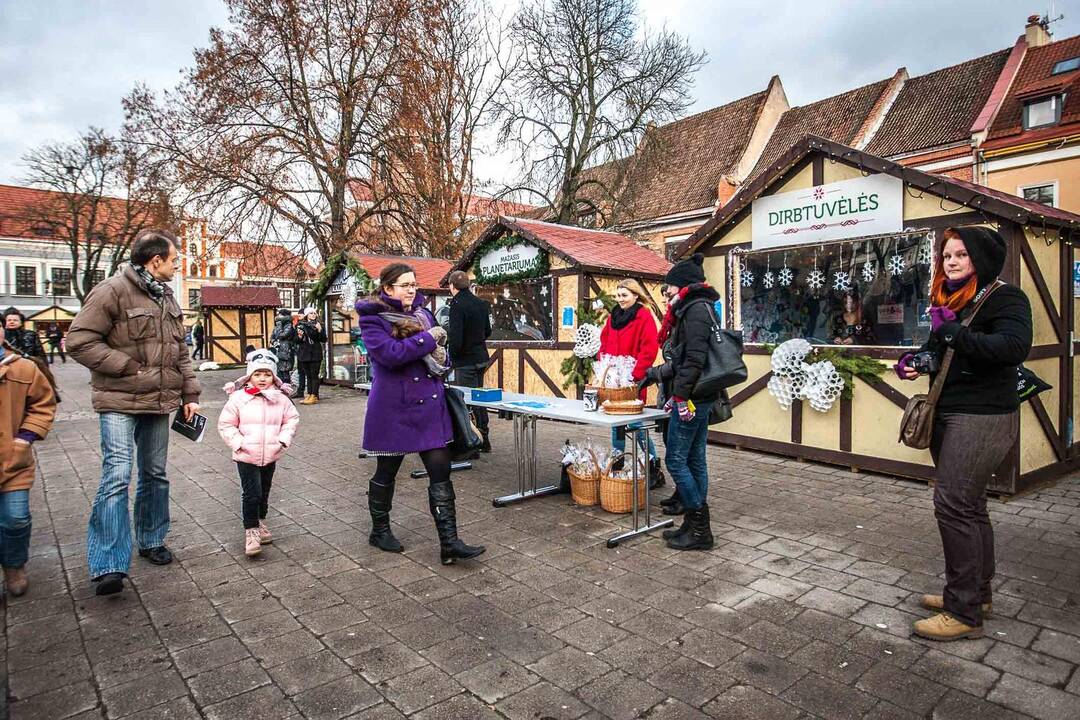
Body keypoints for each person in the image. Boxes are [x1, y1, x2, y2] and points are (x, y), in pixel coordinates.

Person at [896, 226, 1031, 641]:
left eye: (960, 255)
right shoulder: (953, 300)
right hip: (951, 412)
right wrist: (918, 360)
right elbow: (942, 355)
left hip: (982, 416)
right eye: (946, 255)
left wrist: (953, 331)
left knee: (952, 504)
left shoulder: (1005, 297)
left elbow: (1012, 348)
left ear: (982, 260)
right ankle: (976, 594)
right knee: (971, 506)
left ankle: (963, 611)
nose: (950, 262)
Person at [67, 228, 201, 596]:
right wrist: (127, 367)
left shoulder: (168, 298)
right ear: (155, 260)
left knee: (154, 474)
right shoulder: (111, 291)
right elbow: (78, 341)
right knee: (117, 474)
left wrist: (190, 392)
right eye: (174, 259)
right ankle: (108, 564)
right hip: (119, 401)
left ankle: (152, 539)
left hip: (158, 402)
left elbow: (181, 352)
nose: (177, 266)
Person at [356, 263, 485, 565]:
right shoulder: (372, 319)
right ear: (388, 288)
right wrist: (430, 340)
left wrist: (443, 354)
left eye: (413, 284)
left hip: (428, 404)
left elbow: (440, 352)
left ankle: (450, 542)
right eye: (404, 285)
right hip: (394, 407)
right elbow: (389, 355)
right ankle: (379, 529)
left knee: (441, 468)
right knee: (387, 471)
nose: (412, 290)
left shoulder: (423, 313)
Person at [637, 253, 718, 551]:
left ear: (682, 285)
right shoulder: (698, 307)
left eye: (669, 287)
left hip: (693, 397)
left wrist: (679, 395)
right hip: (700, 394)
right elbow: (685, 357)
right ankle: (694, 523)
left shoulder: (695, 309)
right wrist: (656, 374)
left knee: (676, 459)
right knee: (695, 458)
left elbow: (694, 360)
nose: (666, 292)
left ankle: (699, 528)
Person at [218, 349, 299, 558]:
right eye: (257, 374)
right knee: (251, 493)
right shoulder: (238, 398)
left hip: (271, 453)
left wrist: (282, 440)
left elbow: (291, 419)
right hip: (246, 454)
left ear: (274, 376)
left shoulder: (280, 399)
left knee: (264, 491)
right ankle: (251, 530)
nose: (262, 379)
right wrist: (238, 443)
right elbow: (226, 424)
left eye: (267, 374)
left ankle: (260, 520)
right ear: (249, 376)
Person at [0, 324, 57, 597]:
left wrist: (24, 438)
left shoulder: (22, 368)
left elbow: (43, 404)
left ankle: (14, 565)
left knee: (16, 519)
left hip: (12, 459)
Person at [600, 278, 664, 488]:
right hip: (614, 382)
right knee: (616, 425)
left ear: (636, 295)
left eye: (624, 295)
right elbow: (603, 342)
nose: (620, 299)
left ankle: (653, 465)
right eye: (618, 295)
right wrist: (604, 367)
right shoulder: (613, 317)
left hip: (632, 381)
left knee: (635, 426)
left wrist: (635, 376)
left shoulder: (644, 316)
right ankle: (617, 464)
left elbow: (649, 348)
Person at [446, 271, 492, 452]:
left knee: (465, 402)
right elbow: (488, 331)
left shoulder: (457, 305)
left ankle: (471, 442)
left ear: (452, 286)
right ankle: (485, 438)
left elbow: (456, 337)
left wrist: (452, 356)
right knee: (480, 400)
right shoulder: (480, 303)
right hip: (481, 358)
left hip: (465, 361)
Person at [295, 307, 326, 405]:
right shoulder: (300, 325)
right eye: (311, 313)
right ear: (306, 315)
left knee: (314, 375)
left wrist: (320, 330)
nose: (313, 315)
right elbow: (296, 341)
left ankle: (314, 395)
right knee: (308, 375)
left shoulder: (318, 325)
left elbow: (323, 339)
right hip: (304, 353)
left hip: (315, 353)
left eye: (314, 313)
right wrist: (299, 337)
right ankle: (309, 394)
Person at [270, 308, 298, 384]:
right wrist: (274, 342)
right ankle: (281, 389)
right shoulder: (277, 325)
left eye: (280, 314)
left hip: (286, 351)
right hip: (278, 350)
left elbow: (282, 335)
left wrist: (279, 325)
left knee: (285, 372)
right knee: (279, 372)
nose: (278, 315)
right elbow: (272, 337)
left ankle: (287, 389)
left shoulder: (289, 325)